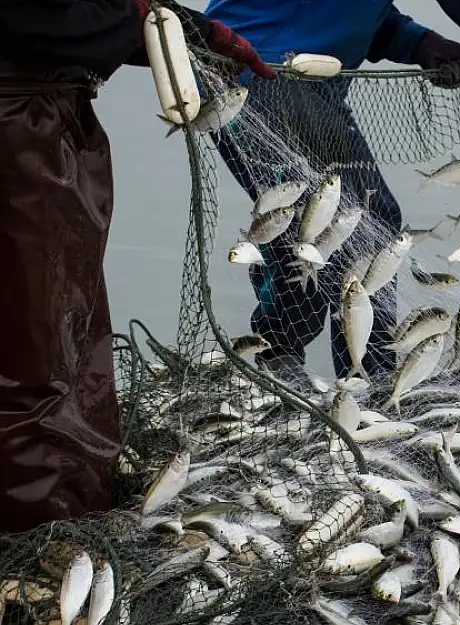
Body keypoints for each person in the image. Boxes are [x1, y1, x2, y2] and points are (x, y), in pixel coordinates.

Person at [205, 0, 460, 389]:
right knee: (343, 224)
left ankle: (342, 368)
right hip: (263, 73)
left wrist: (414, 41)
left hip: (285, 74)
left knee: (352, 222)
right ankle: (322, 369)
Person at [0, 0, 274, 536]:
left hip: (43, 115)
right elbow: (30, 18)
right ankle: (37, 532)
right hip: (17, 131)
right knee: (32, 348)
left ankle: (68, 502)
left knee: (63, 325)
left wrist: (183, 29)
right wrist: (141, 19)